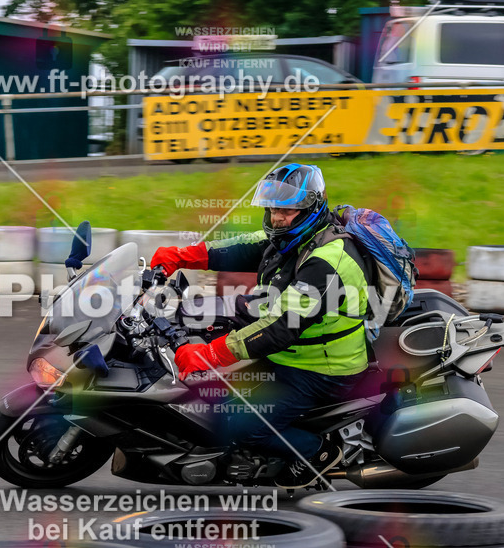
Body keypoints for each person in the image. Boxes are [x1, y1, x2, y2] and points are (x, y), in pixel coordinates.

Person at [150, 163, 370, 488]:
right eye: (272, 209)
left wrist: (210, 354)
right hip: (292, 354)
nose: (276, 217)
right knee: (208, 394)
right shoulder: (292, 237)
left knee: (232, 422)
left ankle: (316, 453)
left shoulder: (328, 261)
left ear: (310, 207)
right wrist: (183, 255)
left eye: (286, 210)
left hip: (320, 369)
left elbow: (282, 326)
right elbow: (243, 246)